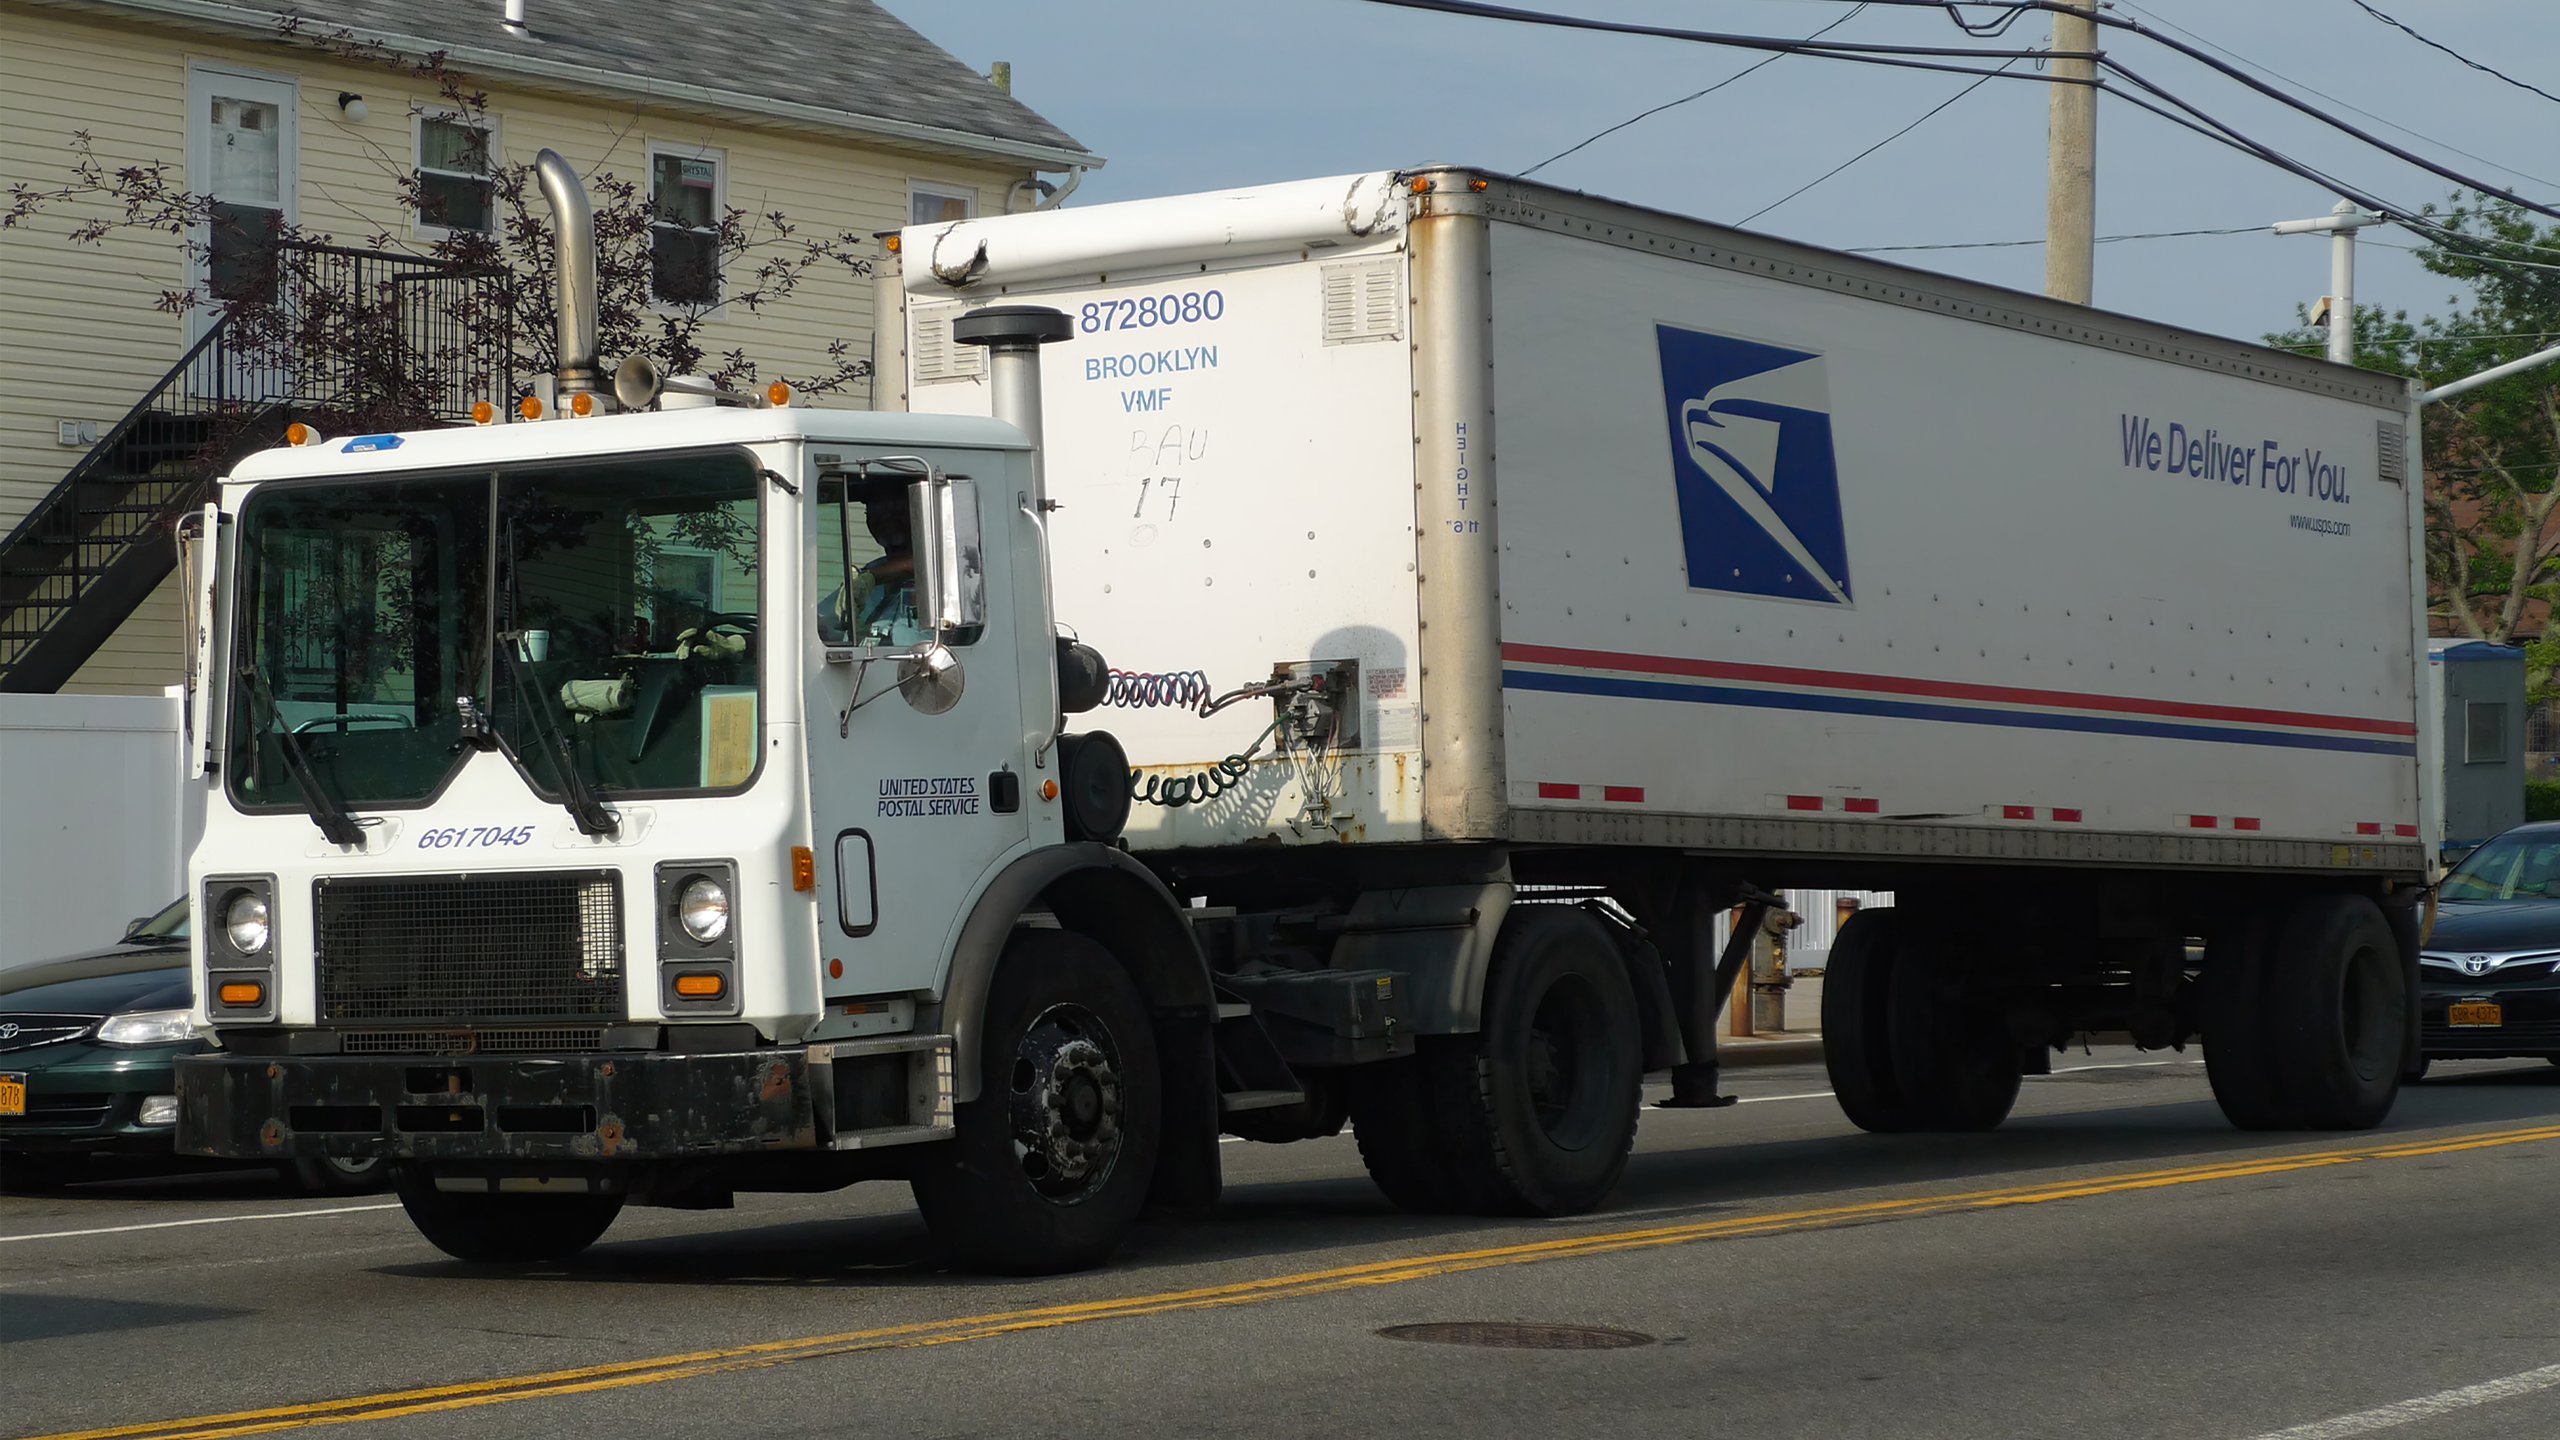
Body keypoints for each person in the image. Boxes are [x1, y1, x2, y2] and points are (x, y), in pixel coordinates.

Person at [820, 495, 924, 647]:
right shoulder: (869, 573)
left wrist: (873, 577)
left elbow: (919, 563)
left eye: (890, 509)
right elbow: (822, 619)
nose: (880, 518)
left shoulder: (940, 572)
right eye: (870, 511)